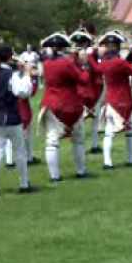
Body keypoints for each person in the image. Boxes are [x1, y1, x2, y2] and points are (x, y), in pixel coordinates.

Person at [88, 31, 132, 168]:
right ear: (117, 47)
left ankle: (107, 162)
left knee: (109, 133)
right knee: (130, 133)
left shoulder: (104, 63)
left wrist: (93, 53)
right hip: (125, 100)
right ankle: (130, 160)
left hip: (111, 101)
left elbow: (95, 67)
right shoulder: (120, 62)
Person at [39, 32, 90, 181]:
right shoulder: (67, 63)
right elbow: (83, 80)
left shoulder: (47, 63)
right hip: (70, 105)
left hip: (51, 103)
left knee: (52, 142)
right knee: (78, 140)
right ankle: (81, 171)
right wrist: (84, 64)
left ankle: (54, 176)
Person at [0, 45, 34, 196]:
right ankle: (24, 183)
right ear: (9, 57)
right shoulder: (10, 74)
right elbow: (23, 92)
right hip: (11, 117)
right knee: (20, 152)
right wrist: (27, 74)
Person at [69, 29, 104, 154]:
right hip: (86, 92)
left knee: (89, 121)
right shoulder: (77, 58)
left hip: (89, 91)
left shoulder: (84, 56)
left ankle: (89, 145)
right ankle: (88, 145)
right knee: (84, 122)